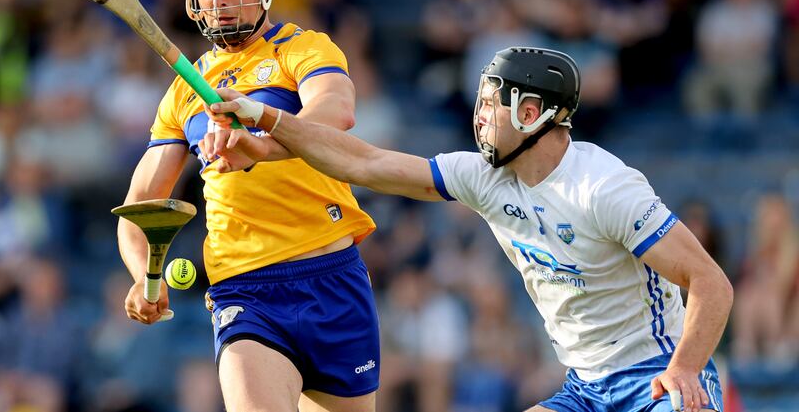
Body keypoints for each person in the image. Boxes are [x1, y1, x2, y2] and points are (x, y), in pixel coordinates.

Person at [200, 47, 734, 412]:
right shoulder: (483, 177)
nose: (477, 116)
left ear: (530, 112)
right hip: (584, 388)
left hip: (656, 375)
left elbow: (712, 283)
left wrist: (686, 368)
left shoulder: (603, 187)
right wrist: (268, 121)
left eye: (488, 103)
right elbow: (362, 164)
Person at [117, 0, 379, 412]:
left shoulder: (302, 49)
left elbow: (335, 112)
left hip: (333, 278)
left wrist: (261, 136)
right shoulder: (182, 93)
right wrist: (141, 275)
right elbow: (140, 204)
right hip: (246, 289)